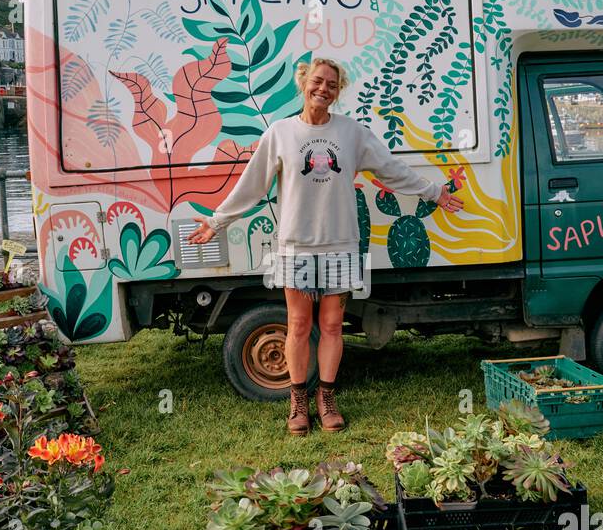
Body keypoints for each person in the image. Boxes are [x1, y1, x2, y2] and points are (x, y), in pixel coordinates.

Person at [188, 57, 463, 434]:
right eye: (317, 81)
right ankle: (298, 402)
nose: (323, 89)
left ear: (338, 91)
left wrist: (433, 192)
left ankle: (327, 398)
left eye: (332, 85)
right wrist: (217, 221)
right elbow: (251, 185)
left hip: (341, 244)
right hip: (296, 246)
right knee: (299, 325)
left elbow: (391, 170)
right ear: (304, 83)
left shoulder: (352, 133)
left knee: (332, 325)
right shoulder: (281, 133)